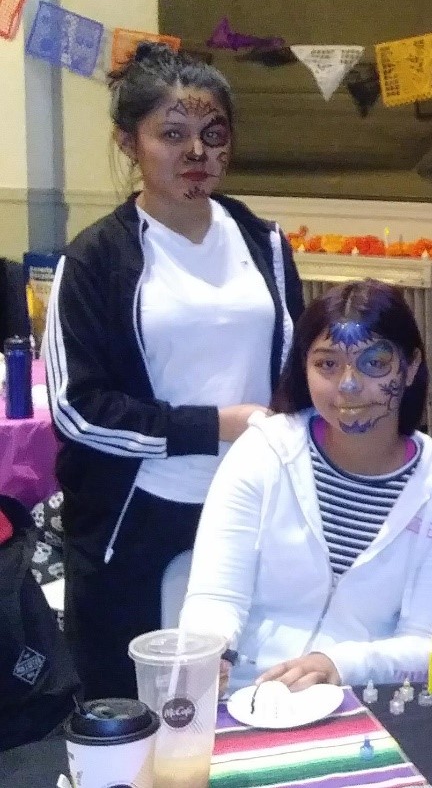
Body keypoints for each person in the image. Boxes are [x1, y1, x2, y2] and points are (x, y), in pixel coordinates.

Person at [43, 42, 304, 699]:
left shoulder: (263, 243)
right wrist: (216, 425)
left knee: (243, 692)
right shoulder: (97, 259)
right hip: (136, 517)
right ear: (129, 142)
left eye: (212, 134)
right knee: (131, 703)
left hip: (249, 503)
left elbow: (294, 369)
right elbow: (77, 408)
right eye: (172, 134)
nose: (196, 153)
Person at [179, 279, 432, 693]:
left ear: (410, 368)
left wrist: (338, 664)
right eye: (327, 364)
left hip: (368, 703)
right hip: (248, 692)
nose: (348, 385)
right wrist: (212, 652)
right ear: (304, 367)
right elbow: (215, 598)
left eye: (374, 363)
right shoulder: (263, 453)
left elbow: (428, 648)